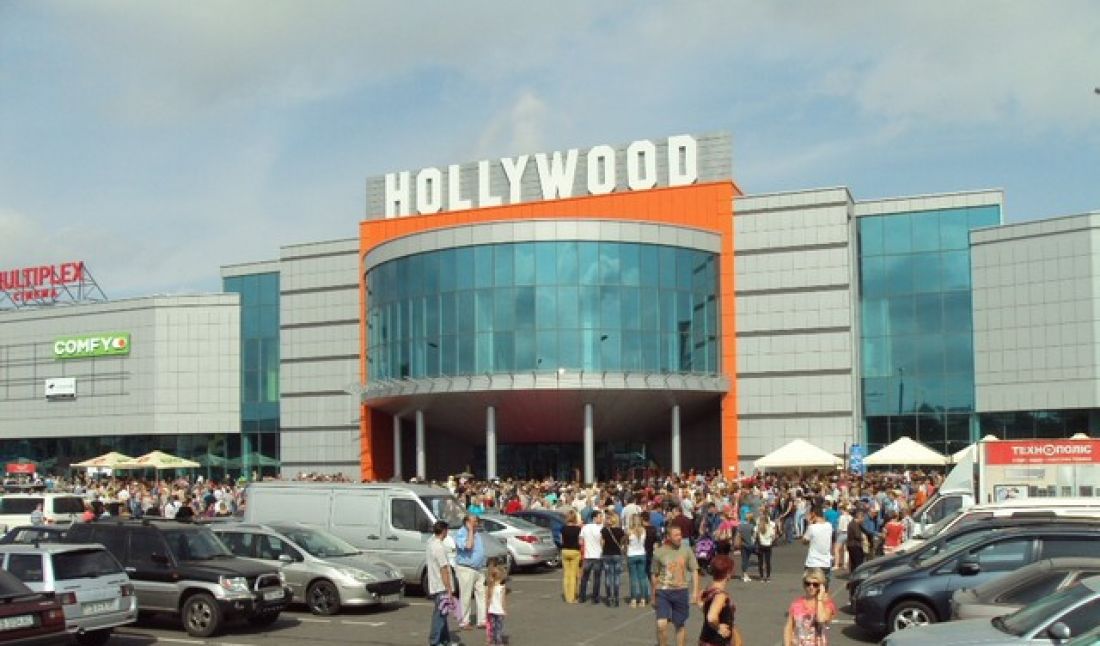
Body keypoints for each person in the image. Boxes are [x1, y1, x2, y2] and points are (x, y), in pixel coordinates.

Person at [650, 525, 699, 646]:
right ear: (668, 537)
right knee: (661, 625)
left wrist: (695, 592)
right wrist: (653, 595)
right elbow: (654, 575)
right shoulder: (659, 552)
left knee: (679, 625)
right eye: (676, 535)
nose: (679, 537)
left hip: (681, 591)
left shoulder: (686, 550)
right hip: (663, 591)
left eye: (680, 534)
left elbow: (694, 570)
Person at [425, 520, 460, 646]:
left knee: (443, 614)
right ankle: (435, 641)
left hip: (435, 583)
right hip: (441, 585)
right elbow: (444, 569)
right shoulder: (439, 547)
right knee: (439, 616)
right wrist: (449, 589)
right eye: (447, 530)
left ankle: (445, 640)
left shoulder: (431, 543)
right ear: (444, 531)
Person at [783, 568, 836, 646]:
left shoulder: (827, 604)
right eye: (808, 583)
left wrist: (819, 599)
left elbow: (821, 620)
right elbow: (788, 628)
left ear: (821, 586)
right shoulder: (796, 604)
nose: (811, 587)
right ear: (804, 584)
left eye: (815, 584)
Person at [454, 513, 487, 630]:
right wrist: (470, 531)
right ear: (467, 522)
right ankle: (464, 621)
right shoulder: (461, 533)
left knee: (482, 594)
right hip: (466, 568)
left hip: (479, 568)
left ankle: (482, 620)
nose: (476, 523)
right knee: (466, 596)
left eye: (477, 521)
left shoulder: (478, 533)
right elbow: (468, 546)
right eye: (474, 521)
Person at [698, 555, 739, 646]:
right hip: (717, 642)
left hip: (705, 639)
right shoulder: (720, 595)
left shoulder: (708, 589)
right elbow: (711, 617)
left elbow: (701, 604)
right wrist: (719, 628)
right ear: (728, 573)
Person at [802, 507, 833, 591]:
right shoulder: (829, 526)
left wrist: (809, 524)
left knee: (810, 588)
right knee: (824, 589)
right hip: (825, 562)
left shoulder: (812, 528)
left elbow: (804, 541)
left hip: (813, 562)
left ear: (813, 514)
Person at [579, 509, 604, 604]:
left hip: (588, 555)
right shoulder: (601, 528)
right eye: (600, 517)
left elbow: (580, 541)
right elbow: (603, 542)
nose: (601, 518)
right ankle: (595, 598)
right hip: (598, 555)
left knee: (585, 578)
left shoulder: (585, 527)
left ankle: (582, 597)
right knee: (597, 578)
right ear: (594, 518)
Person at [601, 512, 625, 607]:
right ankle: (616, 597)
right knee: (616, 577)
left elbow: (602, 543)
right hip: (617, 554)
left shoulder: (604, 530)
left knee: (608, 576)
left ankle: (609, 597)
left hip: (607, 554)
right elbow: (622, 542)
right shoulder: (620, 530)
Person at [625, 514, 649, 607]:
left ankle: (634, 599)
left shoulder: (629, 531)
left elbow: (626, 542)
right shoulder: (643, 530)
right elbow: (644, 542)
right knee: (642, 577)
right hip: (641, 554)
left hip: (632, 554)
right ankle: (643, 599)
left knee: (633, 578)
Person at [560, 509, 582, 603]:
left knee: (566, 575)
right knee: (573, 575)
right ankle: (572, 597)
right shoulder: (578, 529)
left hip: (565, 551)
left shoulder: (563, 528)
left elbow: (561, 540)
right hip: (574, 551)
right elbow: (580, 542)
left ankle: (567, 596)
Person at [485, 563, 506, 646]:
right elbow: (502, 600)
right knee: (499, 627)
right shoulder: (502, 587)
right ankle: (499, 642)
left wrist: (487, 608)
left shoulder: (490, 587)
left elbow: (488, 599)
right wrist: (504, 609)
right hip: (499, 610)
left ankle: (493, 641)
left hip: (492, 610)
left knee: (492, 626)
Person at [754, 512, 776, 582]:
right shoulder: (770, 527)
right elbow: (773, 537)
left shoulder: (757, 527)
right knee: (768, 561)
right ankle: (768, 577)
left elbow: (755, 536)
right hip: (768, 545)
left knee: (760, 562)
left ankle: (761, 577)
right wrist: (771, 541)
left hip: (761, 545)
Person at [735, 513, 756, 582]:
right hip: (750, 545)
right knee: (747, 559)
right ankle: (745, 575)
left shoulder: (740, 526)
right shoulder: (752, 526)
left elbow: (738, 535)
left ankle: (744, 574)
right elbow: (754, 536)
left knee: (744, 560)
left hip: (743, 545)